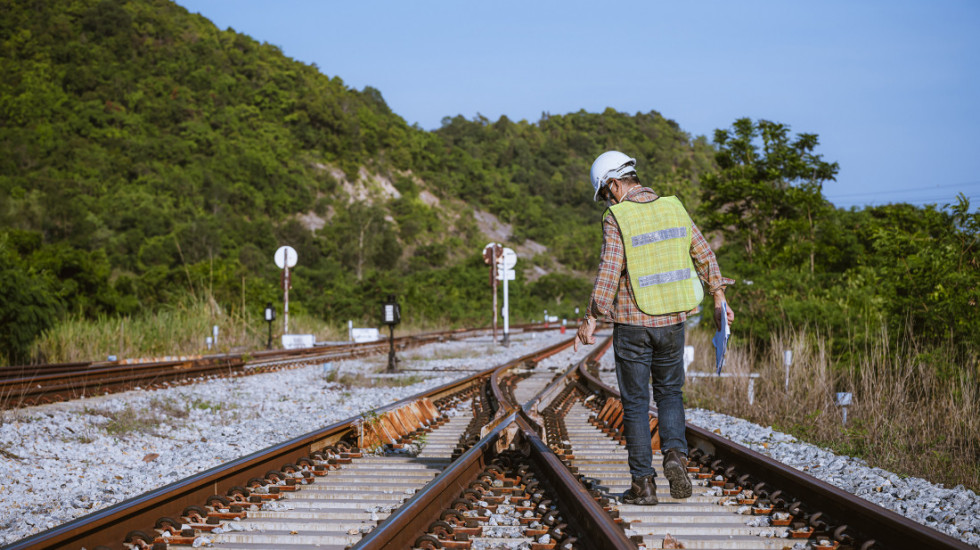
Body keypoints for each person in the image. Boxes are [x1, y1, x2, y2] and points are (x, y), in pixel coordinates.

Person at [574, 150, 735, 505]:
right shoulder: (674, 206)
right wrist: (719, 296)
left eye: (604, 193)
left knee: (634, 404)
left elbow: (609, 269)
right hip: (673, 322)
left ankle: (643, 486)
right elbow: (704, 253)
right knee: (670, 394)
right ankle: (675, 455)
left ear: (615, 184)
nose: (606, 200)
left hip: (633, 324)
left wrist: (591, 316)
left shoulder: (617, 216)